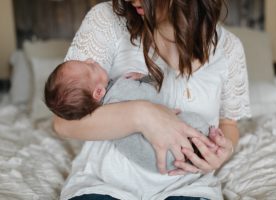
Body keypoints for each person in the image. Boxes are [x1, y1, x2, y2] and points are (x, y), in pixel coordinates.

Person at [54, 0, 251, 199]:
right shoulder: (107, 20)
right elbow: (63, 123)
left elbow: (228, 124)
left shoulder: (228, 48)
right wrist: (143, 114)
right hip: (104, 184)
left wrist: (224, 150)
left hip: (188, 186)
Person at [44, 59, 218, 172]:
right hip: (168, 152)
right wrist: (146, 80)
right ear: (98, 92)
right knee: (195, 123)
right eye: (90, 67)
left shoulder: (105, 112)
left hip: (161, 162)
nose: (91, 60)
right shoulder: (120, 92)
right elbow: (156, 99)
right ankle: (208, 141)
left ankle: (205, 146)